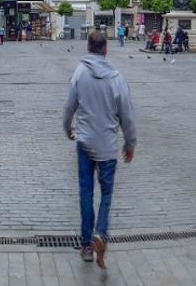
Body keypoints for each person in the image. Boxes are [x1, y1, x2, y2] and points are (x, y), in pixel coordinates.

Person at [62, 30, 136, 268]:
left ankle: (86, 245)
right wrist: (130, 143)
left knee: (85, 192)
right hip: (107, 147)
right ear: (105, 49)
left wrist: (67, 129)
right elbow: (128, 116)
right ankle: (100, 233)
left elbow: (68, 107)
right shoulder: (116, 77)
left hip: (84, 143)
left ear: (87, 47)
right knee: (106, 194)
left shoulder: (80, 73)